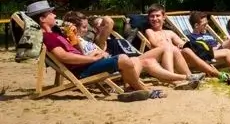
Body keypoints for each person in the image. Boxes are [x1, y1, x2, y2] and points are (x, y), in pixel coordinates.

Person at [28, 1, 156, 101]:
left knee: (127, 59)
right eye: (50, 13)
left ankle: (137, 90)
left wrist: (92, 53)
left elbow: (73, 52)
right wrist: (93, 58)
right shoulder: (48, 37)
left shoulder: (56, 34)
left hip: (86, 64)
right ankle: (143, 91)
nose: (54, 15)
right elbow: (64, 57)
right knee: (123, 59)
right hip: (82, 71)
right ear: (42, 19)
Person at [63, 11, 201, 89]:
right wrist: (100, 22)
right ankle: (182, 79)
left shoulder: (87, 40)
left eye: (89, 27)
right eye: (84, 27)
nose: (87, 30)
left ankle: (185, 78)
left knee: (165, 51)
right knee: (163, 49)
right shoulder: (99, 40)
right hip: (125, 63)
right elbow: (109, 22)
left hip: (133, 59)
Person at [144, 5, 213, 84]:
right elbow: (154, 43)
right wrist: (172, 47)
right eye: (152, 16)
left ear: (164, 17)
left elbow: (182, 43)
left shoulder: (170, 32)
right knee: (172, 49)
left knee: (186, 49)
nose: (155, 19)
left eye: (157, 16)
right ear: (149, 19)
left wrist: (181, 46)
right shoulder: (149, 31)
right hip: (162, 55)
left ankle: (191, 77)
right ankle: (176, 79)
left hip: (175, 55)